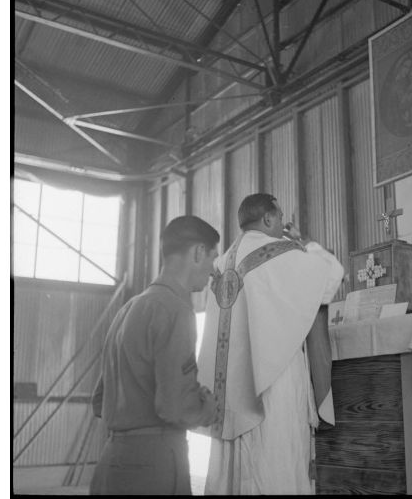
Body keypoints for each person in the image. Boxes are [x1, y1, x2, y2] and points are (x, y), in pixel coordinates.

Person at [197, 193, 344, 495]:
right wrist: (307, 243)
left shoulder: (222, 262)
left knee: (234, 469)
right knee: (274, 461)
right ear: (268, 218)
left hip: (230, 391)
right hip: (272, 384)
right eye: (278, 218)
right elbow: (331, 275)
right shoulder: (279, 251)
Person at [89, 215, 220, 495]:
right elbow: (174, 407)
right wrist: (208, 407)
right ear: (198, 252)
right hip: (153, 467)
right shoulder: (175, 310)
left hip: (111, 463)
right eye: (212, 257)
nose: (212, 271)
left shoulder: (128, 309)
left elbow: (100, 401)